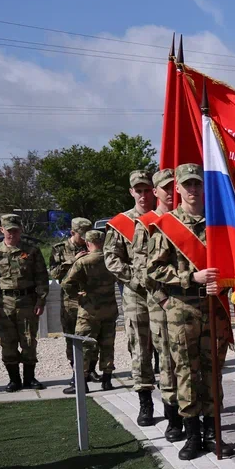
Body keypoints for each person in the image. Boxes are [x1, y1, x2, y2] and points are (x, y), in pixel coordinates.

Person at [144, 163, 231, 461]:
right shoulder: (167, 225)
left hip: (214, 307)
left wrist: (223, 283)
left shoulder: (218, 223)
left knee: (213, 371)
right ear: (177, 188)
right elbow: (153, 269)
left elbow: (234, 261)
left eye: (197, 184)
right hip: (182, 309)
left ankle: (212, 433)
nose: (193, 189)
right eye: (187, 184)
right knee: (186, 372)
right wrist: (189, 278)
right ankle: (192, 435)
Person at [104, 170, 158, 425]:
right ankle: (145, 402)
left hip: (165, 294)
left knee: (169, 349)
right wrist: (136, 279)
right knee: (139, 348)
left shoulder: (167, 218)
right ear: (131, 192)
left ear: (154, 191)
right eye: (139, 191)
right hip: (136, 295)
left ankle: (174, 404)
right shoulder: (121, 223)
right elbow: (111, 259)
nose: (143, 195)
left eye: (147, 190)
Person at [0, 213, 49, 392]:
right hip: (4, 303)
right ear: (1, 230)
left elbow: (41, 278)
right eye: (9, 230)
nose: (12, 234)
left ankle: (29, 378)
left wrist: (41, 301)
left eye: (15, 230)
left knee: (29, 341)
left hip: (27, 302)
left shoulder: (32, 251)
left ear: (20, 230)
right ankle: (14, 380)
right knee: (8, 342)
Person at [144, 169, 182, 439]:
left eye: (172, 187)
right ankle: (173, 419)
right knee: (167, 362)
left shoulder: (184, 220)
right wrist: (164, 299)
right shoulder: (146, 224)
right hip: (162, 305)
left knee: (187, 363)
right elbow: (143, 270)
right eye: (164, 187)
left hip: (186, 304)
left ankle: (193, 415)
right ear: (155, 191)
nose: (170, 192)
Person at [60, 230, 117, 393]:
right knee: (107, 345)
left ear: (87, 243)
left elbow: (66, 283)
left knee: (84, 346)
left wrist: (76, 294)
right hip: (109, 309)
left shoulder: (84, 261)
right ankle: (107, 380)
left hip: (89, 310)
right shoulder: (111, 259)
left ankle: (81, 383)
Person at [49, 217, 91, 371]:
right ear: (73, 232)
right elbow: (54, 273)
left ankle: (90, 369)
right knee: (71, 335)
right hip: (70, 299)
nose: (85, 238)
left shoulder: (92, 246)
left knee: (90, 335)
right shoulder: (59, 249)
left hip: (89, 297)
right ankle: (76, 370)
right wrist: (74, 260)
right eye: (82, 235)